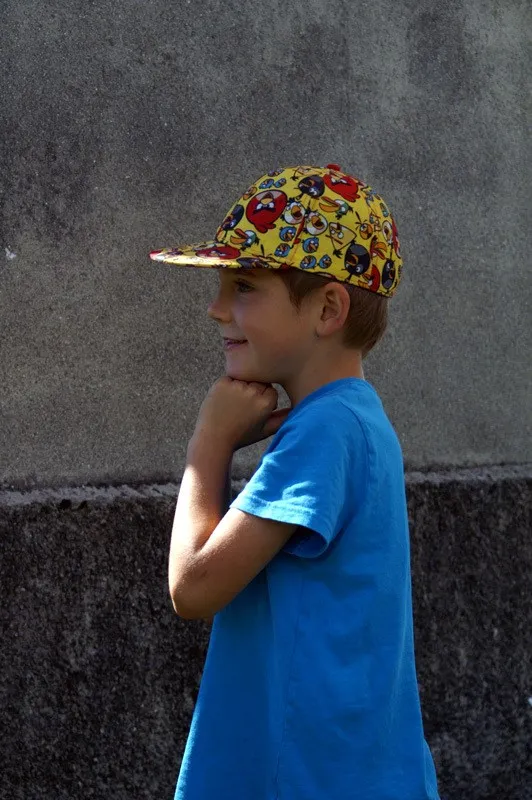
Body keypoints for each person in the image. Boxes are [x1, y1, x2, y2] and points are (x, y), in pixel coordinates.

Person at [150, 164, 440, 799]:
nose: (216, 308)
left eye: (244, 286)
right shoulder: (351, 419)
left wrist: (209, 442)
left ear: (328, 308)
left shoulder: (326, 429)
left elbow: (192, 588)